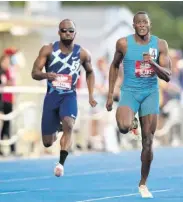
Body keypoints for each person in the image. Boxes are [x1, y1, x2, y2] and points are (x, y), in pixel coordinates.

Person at [106, 11, 171, 198]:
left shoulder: (160, 45)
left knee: (148, 142)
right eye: (138, 23)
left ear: (150, 24)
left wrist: (153, 64)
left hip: (150, 93)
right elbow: (114, 65)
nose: (142, 25)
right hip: (129, 92)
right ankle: (132, 122)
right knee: (123, 127)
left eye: (145, 22)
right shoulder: (123, 43)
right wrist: (111, 94)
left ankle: (143, 183)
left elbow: (167, 75)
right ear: (133, 26)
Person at [31, 19, 97, 177]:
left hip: (69, 96)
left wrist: (91, 94)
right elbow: (34, 73)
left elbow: (90, 72)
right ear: (58, 32)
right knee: (48, 142)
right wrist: (47, 75)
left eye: (70, 31)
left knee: (69, 123)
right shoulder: (48, 50)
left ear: (75, 33)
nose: (67, 33)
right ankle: (57, 127)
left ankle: (61, 163)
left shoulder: (82, 53)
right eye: (64, 30)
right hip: (52, 97)